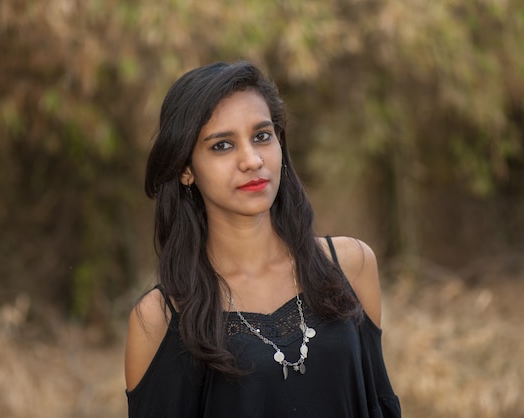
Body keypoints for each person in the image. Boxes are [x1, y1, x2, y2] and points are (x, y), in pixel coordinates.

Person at [125, 61, 401, 417]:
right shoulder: (160, 318)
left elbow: (380, 403)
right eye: (222, 145)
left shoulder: (350, 265)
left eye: (262, 136)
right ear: (186, 169)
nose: (252, 160)